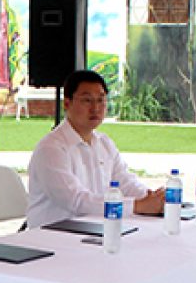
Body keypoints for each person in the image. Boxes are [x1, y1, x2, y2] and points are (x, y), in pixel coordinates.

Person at [26, 70, 165, 230]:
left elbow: (125, 182)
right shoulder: (51, 149)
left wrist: (153, 197)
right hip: (51, 236)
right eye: (87, 100)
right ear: (67, 103)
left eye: (101, 100)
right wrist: (137, 206)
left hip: (95, 229)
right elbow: (76, 201)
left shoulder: (104, 143)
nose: (95, 108)